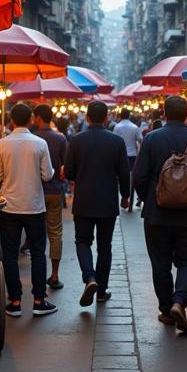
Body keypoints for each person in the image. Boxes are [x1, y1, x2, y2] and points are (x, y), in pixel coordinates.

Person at [133, 95, 187, 333]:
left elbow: (138, 176)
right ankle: (180, 301)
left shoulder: (151, 139)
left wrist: (149, 198)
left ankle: (167, 309)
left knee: (160, 263)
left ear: (164, 114)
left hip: (156, 215)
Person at [0, 103, 56, 317]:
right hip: (34, 206)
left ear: (11, 121)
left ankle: (16, 302)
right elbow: (48, 175)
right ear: (30, 120)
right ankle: (39, 300)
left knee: (10, 254)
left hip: (9, 206)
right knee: (38, 253)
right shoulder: (40, 143)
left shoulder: (2, 144)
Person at [65, 101, 130, 306]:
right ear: (106, 117)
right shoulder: (117, 141)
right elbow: (124, 172)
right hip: (107, 201)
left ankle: (89, 277)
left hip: (84, 200)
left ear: (87, 116)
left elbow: (69, 173)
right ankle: (101, 291)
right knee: (105, 246)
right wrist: (126, 195)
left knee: (82, 241)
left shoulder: (76, 140)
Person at [32, 104, 68, 290]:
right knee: (55, 233)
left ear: (38, 118)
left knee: (37, 234)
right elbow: (65, 165)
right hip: (54, 191)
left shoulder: (32, 138)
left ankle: (37, 275)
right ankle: (54, 275)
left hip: (34, 192)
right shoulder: (60, 138)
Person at [113, 108, 142, 210]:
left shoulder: (117, 127)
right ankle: (130, 198)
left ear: (120, 115)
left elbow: (114, 141)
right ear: (129, 115)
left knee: (119, 177)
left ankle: (123, 197)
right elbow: (140, 140)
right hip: (132, 156)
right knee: (131, 178)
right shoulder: (134, 127)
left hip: (119, 155)